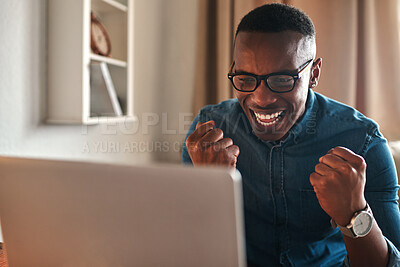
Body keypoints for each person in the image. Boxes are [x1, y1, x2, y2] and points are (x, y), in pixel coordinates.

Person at [182, 3, 400, 267]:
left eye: (283, 79)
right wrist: (209, 188)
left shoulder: (362, 142)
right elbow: (191, 249)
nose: (261, 99)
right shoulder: (207, 134)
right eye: (246, 78)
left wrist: (354, 215)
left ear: (313, 74)